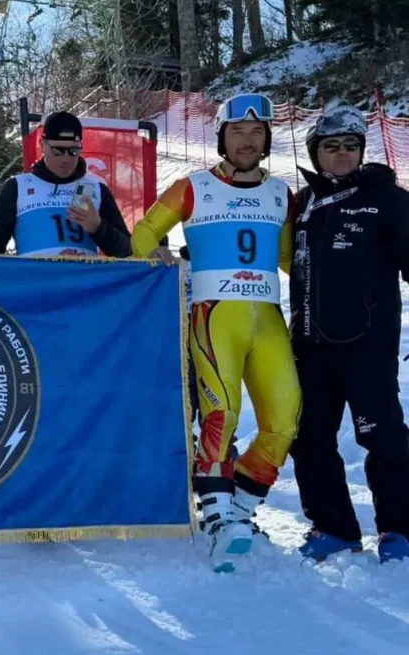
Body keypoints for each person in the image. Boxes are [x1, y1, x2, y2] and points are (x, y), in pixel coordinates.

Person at [129, 93, 301, 572]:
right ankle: (218, 518)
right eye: (237, 132)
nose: (247, 141)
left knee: (285, 420)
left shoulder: (280, 194)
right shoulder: (193, 187)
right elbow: (143, 235)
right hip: (212, 315)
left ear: (266, 139)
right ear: (222, 137)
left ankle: (241, 509)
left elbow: (290, 261)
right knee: (220, 414)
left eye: (256, 133)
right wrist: (155, 256)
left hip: (267, 319)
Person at [288, 105, 409, 564]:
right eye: (331, 146)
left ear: (361, 151)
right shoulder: (305, 202)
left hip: (367, 347)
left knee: (382, 439)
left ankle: (399, 531)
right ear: (316, 152)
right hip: (310, 347)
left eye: (350, 146)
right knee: (310, 440)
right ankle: (334, 528)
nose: (341, 154)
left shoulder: (387, 199)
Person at [0, 111, 133, 258]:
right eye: (57, 151)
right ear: (42, 144)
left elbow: (129, 253)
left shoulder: (96, 189)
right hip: (36, 283)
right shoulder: (17, 187)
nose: (65, 159)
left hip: (83, 284)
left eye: (73, 150)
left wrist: (98, 227)